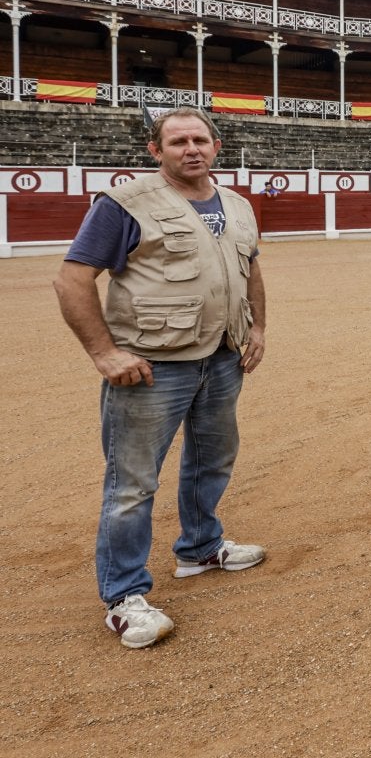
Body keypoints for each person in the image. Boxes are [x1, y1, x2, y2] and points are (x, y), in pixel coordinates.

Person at [53, 106, 268, 650]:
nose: (191, 149)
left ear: (216, 146)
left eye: (200, 139)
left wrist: (258, 327)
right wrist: (104, 353)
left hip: (222, 356)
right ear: (156, 151)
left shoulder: (238, 205)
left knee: (213, 458)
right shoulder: (125, 204)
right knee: (132, 483)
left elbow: (250, 270)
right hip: (152, 365)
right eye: (177, 142)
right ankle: (124, 596)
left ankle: (200, 548)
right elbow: (73, 280)